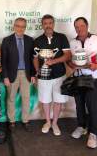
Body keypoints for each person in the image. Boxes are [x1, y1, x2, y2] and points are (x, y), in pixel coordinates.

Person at [33, 14, 71, 136]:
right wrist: (37, 70)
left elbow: (67, 55)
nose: (48, 25)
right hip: (44, 77)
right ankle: (48, 122)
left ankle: (55, 123)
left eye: (50, 23)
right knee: (45, 100)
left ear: (53, 24)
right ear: (42, 25)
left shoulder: (61, 37)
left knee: (58, 100)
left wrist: (53, 61)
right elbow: (34, 58)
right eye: (45, 23)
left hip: (59, 75)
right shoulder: (38, 40)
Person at [1, 17, 35, 131]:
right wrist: (5, 76)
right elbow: (3, 61)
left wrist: (33, 74)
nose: (20, 28)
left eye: (23, 26)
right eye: (18, 26)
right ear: (14, 26)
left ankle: (25, 120)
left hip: (26, 73)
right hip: (11, 74)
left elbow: (32, 59)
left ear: (25, 28)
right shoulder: (6, 40)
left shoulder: (30, 40)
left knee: (26, 98)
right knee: (11, 98)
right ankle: (12, 121)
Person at [68, 17, 97, 148]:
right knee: (79, 104)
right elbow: (68, 59)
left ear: (87, 25)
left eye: (82, 26)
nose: (79, 29)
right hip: (78, 78)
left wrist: (96, 65)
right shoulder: (72, 42)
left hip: (93, 78)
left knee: (92, 106)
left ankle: (93, 133)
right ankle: (81, 126)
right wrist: (71, 64)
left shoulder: (96, 39)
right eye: (77, 27)